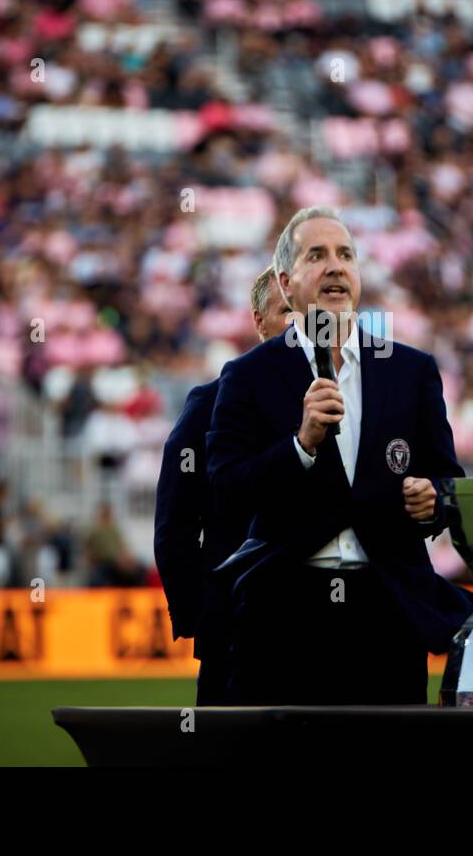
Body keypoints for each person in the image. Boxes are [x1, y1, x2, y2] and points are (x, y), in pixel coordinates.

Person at [207, 207, 473, 705]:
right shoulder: (247, 376)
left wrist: (434, 500)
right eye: (318, 256)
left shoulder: (410, 370)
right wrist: (301, 446)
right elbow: (226, 488)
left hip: (388, 612)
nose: (336, 267)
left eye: (345, 255)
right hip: (285, 612)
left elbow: (448, 481)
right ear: (287, 284)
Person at [153, 266, 293, 704]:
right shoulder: (210, 403)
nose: (300, 324)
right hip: (235, 634)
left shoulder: (352, 406)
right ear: (258, 320)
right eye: (287, 311)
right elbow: (174, 524)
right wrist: (204, 613)